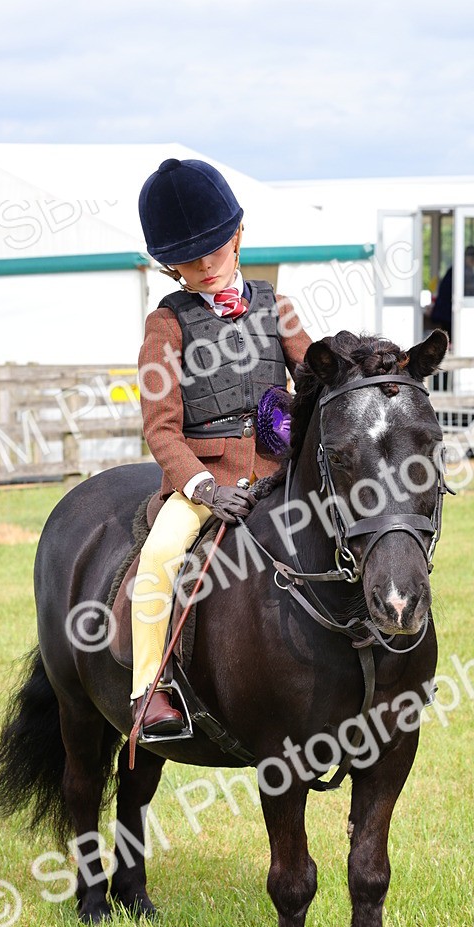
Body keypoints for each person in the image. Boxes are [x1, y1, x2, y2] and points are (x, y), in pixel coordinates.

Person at [131, 158, 312, 735]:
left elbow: (314, 374)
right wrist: (205, 489)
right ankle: (148, 690)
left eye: (214, 249)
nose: (205, 266)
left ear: (238, 235)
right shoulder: (167, 324)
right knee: (159, 560)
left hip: (276, 470)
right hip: (205, 479)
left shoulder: (275, 307)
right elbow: (161, 428)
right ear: (171, 264)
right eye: (189, 259)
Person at [429, 244, 474, 343]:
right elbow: (471, 293)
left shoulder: (456, 269)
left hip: (446, 312)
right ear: (470, 259)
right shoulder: (464, 271)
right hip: (448, 313)